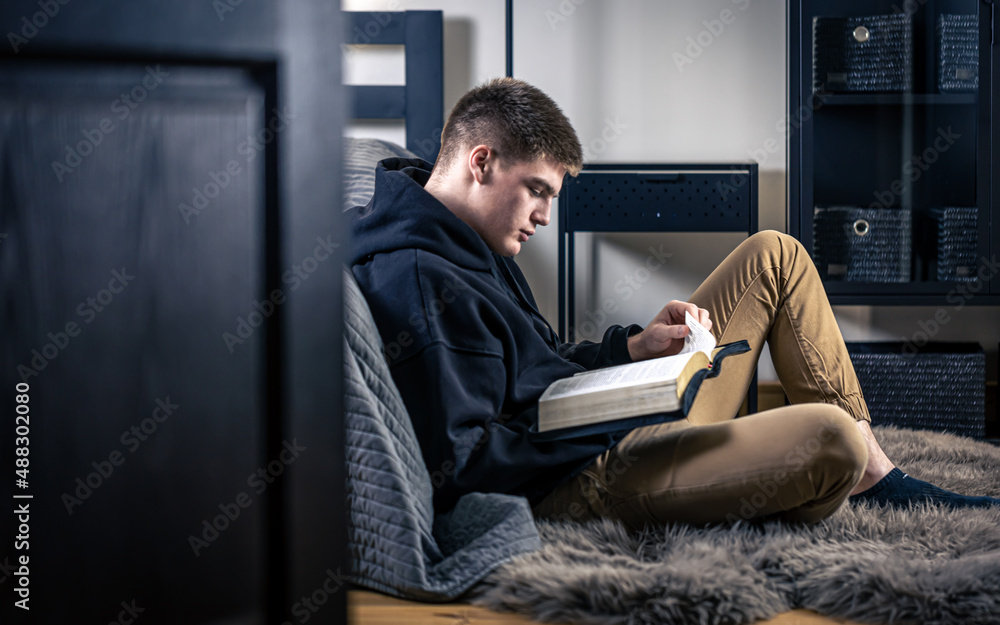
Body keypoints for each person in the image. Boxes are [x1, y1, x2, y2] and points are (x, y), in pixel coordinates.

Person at [348, 77, 999, 529]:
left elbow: (536, 365)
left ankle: (876, 477)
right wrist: (618, 413)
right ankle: (844, 467)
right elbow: (463, 470)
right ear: (481, 161)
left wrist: (630, 352)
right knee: (827, 439)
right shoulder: (415, 276)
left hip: (599, 429)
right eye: (537, 191)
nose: (545, 216)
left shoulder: (467, 236)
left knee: (776, 253)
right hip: (573, 481)